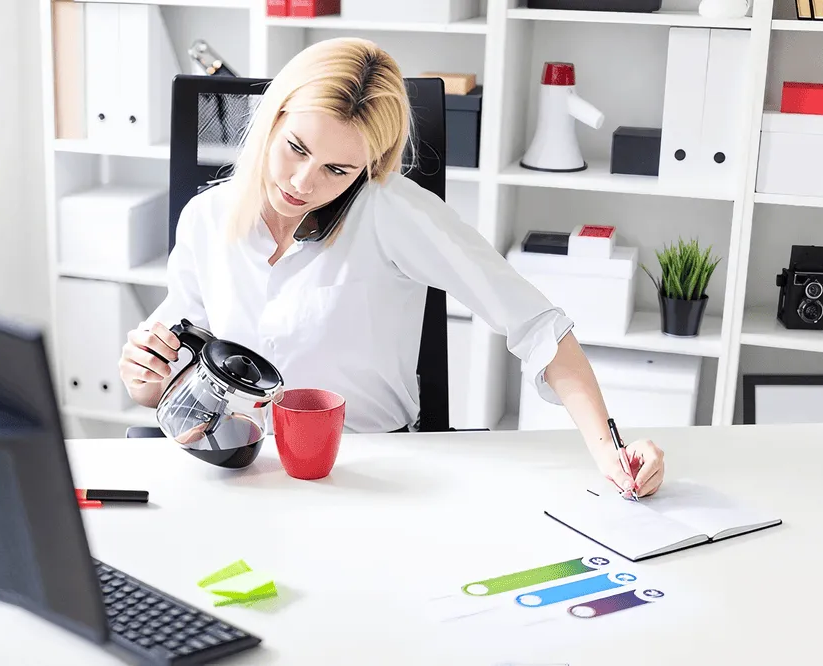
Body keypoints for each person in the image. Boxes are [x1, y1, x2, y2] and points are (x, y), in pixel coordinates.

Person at [118, 37, 665, 497]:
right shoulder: (207, 218)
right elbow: (169, 375)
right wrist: (145, 374)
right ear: (272, 118)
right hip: (245, 467)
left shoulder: (392, 211)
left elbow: (537, 324)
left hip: (369, 473)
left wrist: (611, 453)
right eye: (295, 148)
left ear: (369, 166)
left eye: (337, 168)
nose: (304, 182)